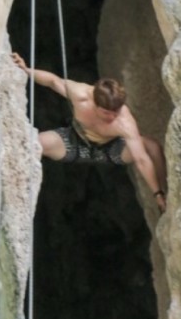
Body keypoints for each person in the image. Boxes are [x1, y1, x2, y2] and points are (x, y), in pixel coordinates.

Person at [12, 52, 168, 212]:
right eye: (107, 113)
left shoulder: (124, 121)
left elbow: (141, 158)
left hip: (111, 149)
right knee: (34, 143)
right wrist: (26, 70)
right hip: (75, 141)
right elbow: (53, 81)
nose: (113, 117)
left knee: (152, 147)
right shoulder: (80, 96)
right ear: (94, 102)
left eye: (116, 111)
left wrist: (157, 193)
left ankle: (165, 195)